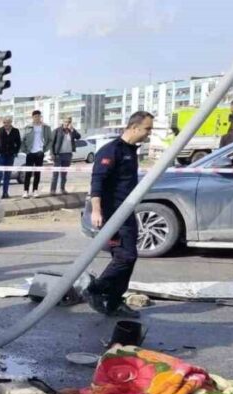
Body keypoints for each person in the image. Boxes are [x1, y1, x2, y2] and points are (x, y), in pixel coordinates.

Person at [84, 111, 154, 318]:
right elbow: (97, 183)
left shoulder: (131, 151)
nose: (149, 133)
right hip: (112, 213)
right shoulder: (111, 151)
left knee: (128, 258)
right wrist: (96, 211)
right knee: (126, 256)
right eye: (147, 129)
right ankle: (95, 289)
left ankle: (114, 302)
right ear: (134, 127)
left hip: (126, 211)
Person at [21, 110, 52, 197]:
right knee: (28, 173)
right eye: (35, 116)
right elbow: (22, 140)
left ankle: (35, 190)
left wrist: (45, 149)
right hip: (30, 152)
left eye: (38, 116)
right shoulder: (28, 127)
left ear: (40, 117)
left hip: (39, 152)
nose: (37, 118)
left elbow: (50, 140)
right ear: (32, 117)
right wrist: (25, 150)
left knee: (38, 172)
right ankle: (25, 191)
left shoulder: (46, 127)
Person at [49, 116, 82, 194]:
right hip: (58, 155)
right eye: (66, 121)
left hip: (68, 155)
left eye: (69, 122)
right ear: (63, 122)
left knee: (64, 174)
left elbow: (78, 137)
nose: (67, 123)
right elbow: (51, 143)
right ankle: (53, 190)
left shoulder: (71, 131)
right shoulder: (57, 131)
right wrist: (52, 154)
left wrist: (73, 130)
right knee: (55, 174)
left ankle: (62, 189)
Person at [0, 116, 21, 198]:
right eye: (4, 122)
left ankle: (5, 193)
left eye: (8, 122)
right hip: (1, 156)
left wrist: (15, 152)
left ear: (11, 122)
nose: (6, 124)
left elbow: (18, 143)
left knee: (7, 175)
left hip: (10, 156)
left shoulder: (15, 131)